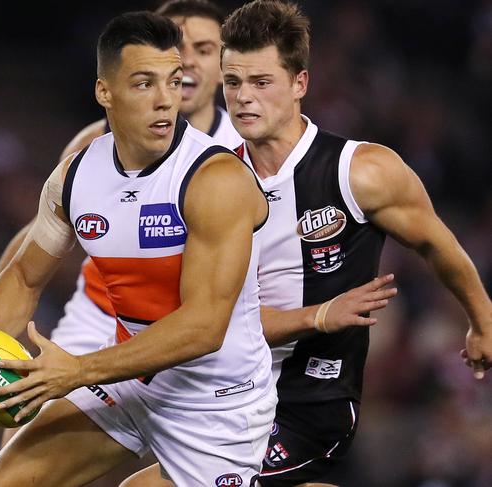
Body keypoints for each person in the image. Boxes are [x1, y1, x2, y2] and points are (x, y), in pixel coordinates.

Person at [120, 1, 492, 486]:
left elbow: (437, 244)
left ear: (300, 84)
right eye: (233, 83)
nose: (244, 99)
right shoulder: (209, 185)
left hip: (312, 402)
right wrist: (317, 315)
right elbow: (212, 324)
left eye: (261, 83)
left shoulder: (362, 171)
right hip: (227, 397)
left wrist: (480, 322)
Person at [0, 11, 281, 486]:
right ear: (105, 92)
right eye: (145, 84)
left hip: (216, 406)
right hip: (129, 381)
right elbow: (24, 276)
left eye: (173, 81)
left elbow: (204, 326)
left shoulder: (216, 179)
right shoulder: (74, 176)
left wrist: (78, 370)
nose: (167, 100)